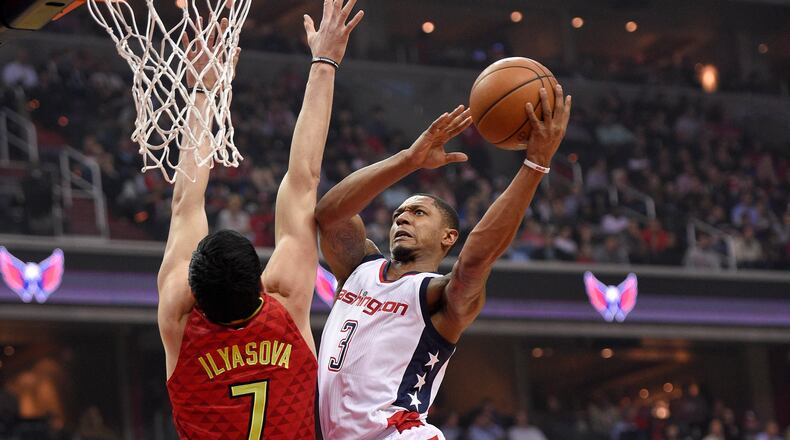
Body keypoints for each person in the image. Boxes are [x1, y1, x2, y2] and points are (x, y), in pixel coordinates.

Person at [316, 86, 571, 439]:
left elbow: (476, 258)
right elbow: (329, 214)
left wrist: (534, 164)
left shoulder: (438, 295)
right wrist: (408, 159)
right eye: (398, 214)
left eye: (418, 213)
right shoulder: (359, 268)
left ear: (448, 237)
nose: (402, 219)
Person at [157, 2, 363, 438]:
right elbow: (303, 179)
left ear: (194, 291)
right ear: (261, 281)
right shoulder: (285, 301)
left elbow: (184, 205)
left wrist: (201, 91)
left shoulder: (179, 316)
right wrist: (324, 62)